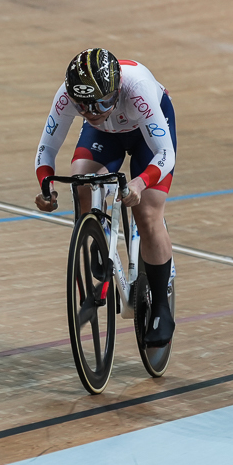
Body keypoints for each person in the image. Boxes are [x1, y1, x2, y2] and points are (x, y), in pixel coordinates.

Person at [31, 48, 178, 349]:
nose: (93, 112)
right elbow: (46, 149)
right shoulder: (69, 96)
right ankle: (99, 240)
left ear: (115, 89)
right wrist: (45, 186)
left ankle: (161, 306)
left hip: (147, 134)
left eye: (101, 103)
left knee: (147, 212)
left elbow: (166, 154)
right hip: (106, 135)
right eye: (85, 107)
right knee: (81, 182)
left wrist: (140, 182)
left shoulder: (136, 89)